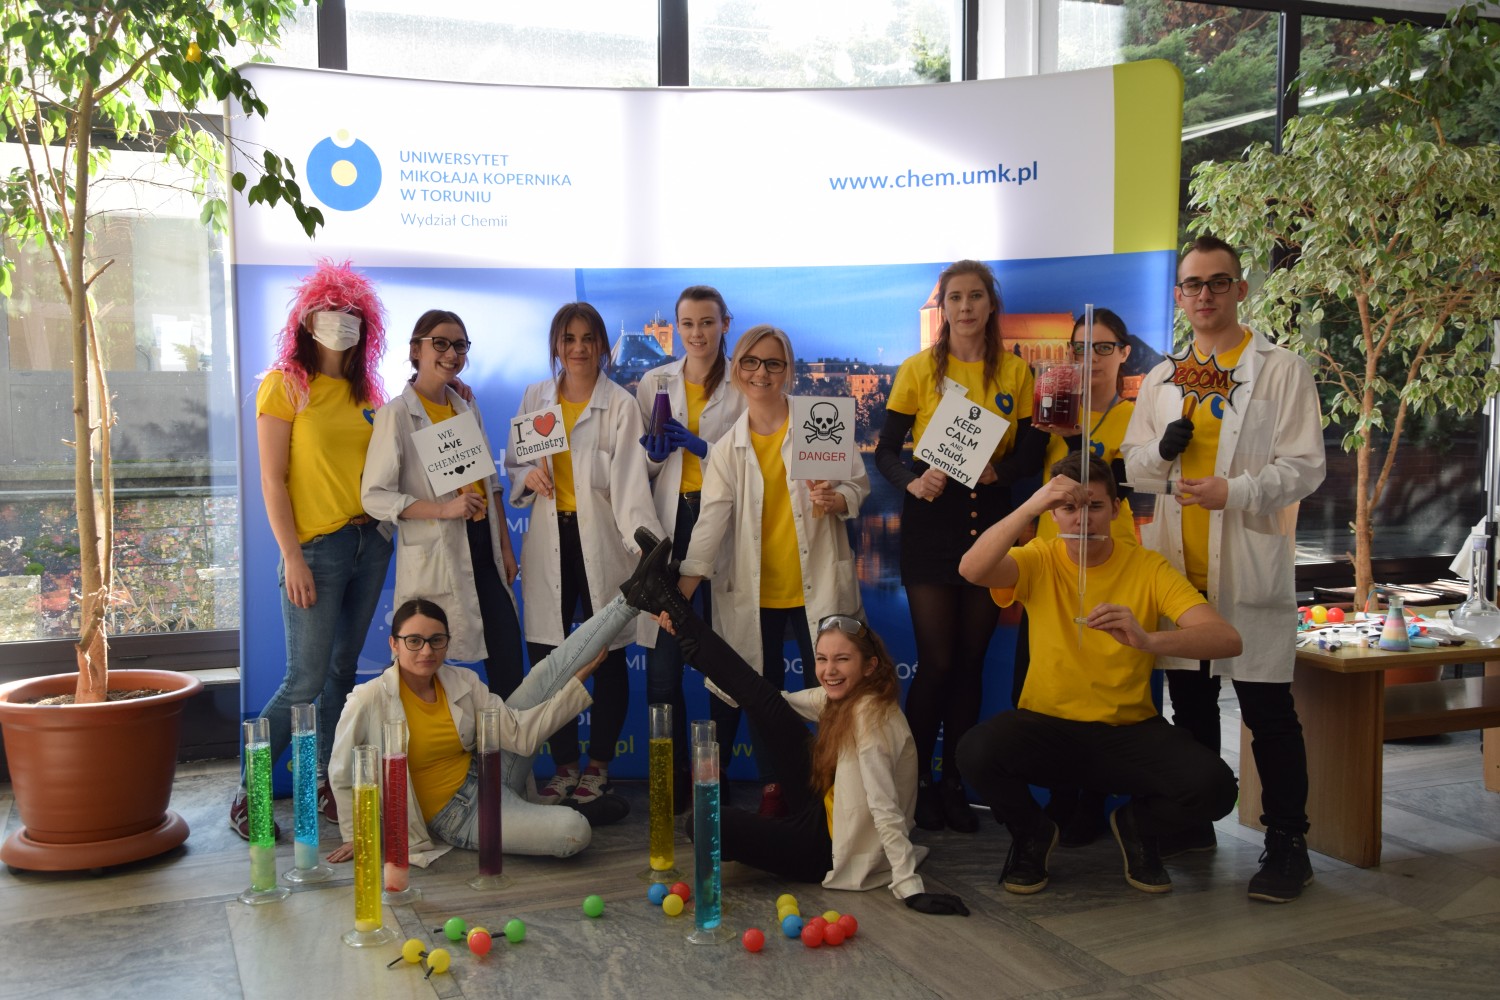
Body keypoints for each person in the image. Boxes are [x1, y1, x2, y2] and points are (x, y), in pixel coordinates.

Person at [1122, 233, 1327, 903]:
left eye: (1217, 282)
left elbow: (1305, 466)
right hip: (1181, 571)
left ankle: (1287, 841)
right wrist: (1163, 448)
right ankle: (1193, 823)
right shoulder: (1161, 379)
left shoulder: (1280, 369)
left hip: (1248, 565)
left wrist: (1233, 491)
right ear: (1179, 297)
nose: (1204, 295)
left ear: (1241, 289)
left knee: (1268, 711)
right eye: (1192, 285)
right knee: (1193, 707)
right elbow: (1135, 466)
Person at [626, 528, 967, 915]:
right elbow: (768, 702)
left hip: (825, 848)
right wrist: (694, 648)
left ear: (870, 666)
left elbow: (884, 806)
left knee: (701, 823)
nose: (829, 671)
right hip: (817, 806)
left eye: (842, 660)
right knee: (768, 703)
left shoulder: (871, 720)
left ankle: (668, 600)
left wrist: (909, 886)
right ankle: (668, 602)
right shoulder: (841, 698)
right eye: (822, 659)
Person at [955, 453, 1241, 895]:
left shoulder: (1148, 567)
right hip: (1047, 728)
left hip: (1126, 731)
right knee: (975, 750)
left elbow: (1226, 640)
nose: (1082, 519)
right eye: (1068, 507)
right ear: (1052, 514)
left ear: (1116, 510)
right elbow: (972, 568)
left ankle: (1136, 826)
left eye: (1094, 506)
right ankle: (1033, 834)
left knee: (1217, 790)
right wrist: (1031, 506)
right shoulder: (1039, 558)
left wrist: (1148, 640)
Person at [874, 258, 1044, 832]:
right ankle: (917, 782)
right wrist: (913, 481)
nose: (966, 307)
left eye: (976, 296)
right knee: (938, 663)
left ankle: (954, 782)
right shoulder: (917, 370)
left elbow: (1032, 455)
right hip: (932, 523)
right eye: (955, 298)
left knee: (970, 665)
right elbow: (886, 453)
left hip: (991, 525)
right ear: (942, 308)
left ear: (991, 305)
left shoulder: (1017, 375)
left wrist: (1001, 475)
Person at [678, 324, 869, 818]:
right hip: (755, 592)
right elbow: (710, 524)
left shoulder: (818, 422)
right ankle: (774, 788)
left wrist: (838, 498)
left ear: (788, 370)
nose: (761, 373)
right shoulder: (725, 449)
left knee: (835, 693)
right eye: (751, 362)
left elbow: (857, 485)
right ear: (738, 369)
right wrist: (681, 592)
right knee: (761, 698)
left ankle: (837, 787)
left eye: (773, 363)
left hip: (818, 587)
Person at [232, 260, 393, 839]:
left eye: (353, 314)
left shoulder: (370, 393)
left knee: (340, 674)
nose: (342, 323)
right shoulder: (285, 384)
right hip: (316, 549)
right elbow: (272, 481)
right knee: (303, 679)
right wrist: (292, 556)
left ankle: (327, 782)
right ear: (307, 318)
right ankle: (248, 795)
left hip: (369, 543)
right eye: (332, 312)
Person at [326, 593, 642, 863]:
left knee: (545, 674)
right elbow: (341, 770)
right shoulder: (368, 700)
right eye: (414, 641)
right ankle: (567, 809)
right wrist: (355, 835)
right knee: (573, 832)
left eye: (437, 640)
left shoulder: (460, 682)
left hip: (490, 769)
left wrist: (574, 683)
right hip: (461, 816)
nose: (427, 651)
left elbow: (521, 735)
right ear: (394, 644)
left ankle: (630, 599)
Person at [507, 302, 662, 817]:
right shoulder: (536, 397)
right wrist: (528, 477)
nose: (578, 348)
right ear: (557, 345)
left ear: (602, 346)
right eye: (568, 338)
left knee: (610, 654)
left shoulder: (619, 404)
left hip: (601, 544)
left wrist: (645, 548)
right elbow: (517, 464)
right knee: (550, 655)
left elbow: (629, 486)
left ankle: (598, 768)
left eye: (588, 338)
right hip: (550, 539)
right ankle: (565, 765)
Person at [1020, 307, 1139, 847]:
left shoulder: (1137, 416)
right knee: (1054, 684)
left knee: (1103, 681)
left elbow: (1129, 482)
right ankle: (1061, 793)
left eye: (1101, 348)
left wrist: (1072, 440)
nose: (1088, 359)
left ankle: (1094, 797)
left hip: (1115, 563)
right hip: (1053, 565)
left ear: (1123, 352)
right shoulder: (1051, 412)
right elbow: (1036, 486)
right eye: (1079, 349)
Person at [362, 309, 524, 699]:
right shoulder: (396, 415)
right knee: (423, 667)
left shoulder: (465, 407)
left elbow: (491, 486)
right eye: (440, 343)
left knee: (508, 664)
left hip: (483, 547)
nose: (451, 353)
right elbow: (374, 496)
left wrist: (504, 545)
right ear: (416, 349)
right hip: (437, 552)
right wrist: (443, 510)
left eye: (460, 345)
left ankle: (508, 759)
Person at [636, 286, 746, 810]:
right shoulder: (653, 382)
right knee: (663, 668)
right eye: (687, 324)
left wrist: (700, 446)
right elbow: (643, 471)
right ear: (676, 328)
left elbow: (752, 460)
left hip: (724, 526)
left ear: (725, 323)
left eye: (707, 322)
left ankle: (715, 773)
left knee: (724, 661)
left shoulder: (747, 383)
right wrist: (658, 453)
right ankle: (673, 775)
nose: (697, 333)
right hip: (670, 526)